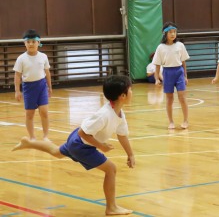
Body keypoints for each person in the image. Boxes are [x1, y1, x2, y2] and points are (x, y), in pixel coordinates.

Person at [12, 75, 135, 216]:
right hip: (80, 144)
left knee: (57, 152)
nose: (132, 92)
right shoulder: (105, 114)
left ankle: (29, 143)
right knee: (111, 169)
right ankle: (111, 207)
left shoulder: (119, 113)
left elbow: (122, 135)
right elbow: (83, 132)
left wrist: (130, 154)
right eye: (130, 89)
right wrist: (101, 146)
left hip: (77, 140)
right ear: (122, 96)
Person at [13, 29, 52, 141]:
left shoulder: (43, 56)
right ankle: (32, 137)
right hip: (29, 88)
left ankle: (45, 136)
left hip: (42, 86)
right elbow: (17, 76)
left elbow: (47, 73)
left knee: (44, 112)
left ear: (38, 43)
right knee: (30, 114)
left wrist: (49, 87)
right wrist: (17, 91)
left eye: (33, 41)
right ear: (24, 43)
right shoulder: (21, 59)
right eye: (28, 41)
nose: (31, 44)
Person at [153, 22, 190, 130]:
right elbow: (157, 65)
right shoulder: (160, 47)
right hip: (167, 73)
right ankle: (171, 122)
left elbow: (183, 63)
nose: (173, 34)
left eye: (174, 32)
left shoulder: (180, 45)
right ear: (165, 34)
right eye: (170, 32)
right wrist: (156, 79)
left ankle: (185, 120)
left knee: (182, 97)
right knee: (169, 99)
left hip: (179, 72)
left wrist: (185, 76)